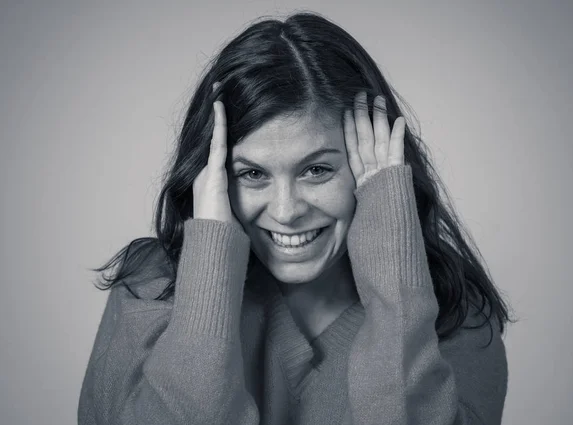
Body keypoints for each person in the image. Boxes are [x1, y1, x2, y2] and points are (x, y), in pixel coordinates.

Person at [78, 11, 513, 425]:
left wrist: (395, 270)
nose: (286, 211)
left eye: (317, 170)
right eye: (251, 174)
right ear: (212, 180)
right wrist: (207, 265)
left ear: (371, 166)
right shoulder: (151, 286)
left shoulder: (455, 311)